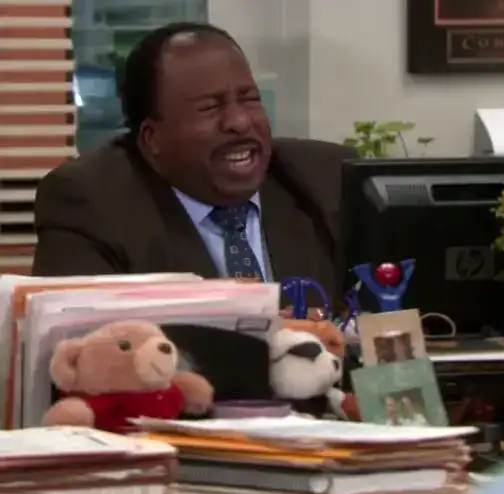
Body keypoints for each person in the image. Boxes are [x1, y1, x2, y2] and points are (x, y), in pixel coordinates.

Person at [32, 22, 356, 306]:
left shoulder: (327, 179)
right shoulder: (91, 202)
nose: (240, 122)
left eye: (249, 99)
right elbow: (85, 346)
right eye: (209, 108)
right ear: (152, 138)